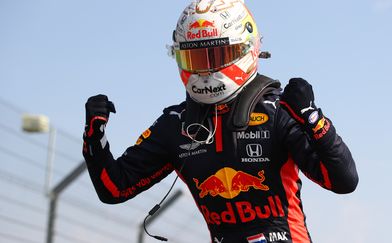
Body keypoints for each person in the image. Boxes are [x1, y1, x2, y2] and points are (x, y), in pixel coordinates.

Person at [82, 0, 359, 242]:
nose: (205, 70)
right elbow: (114, 188)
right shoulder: (175, 125)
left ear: (246, 49)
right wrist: (95, 138)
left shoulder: (280, 112)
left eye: (215, 55)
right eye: (195, 57)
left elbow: (344, 181)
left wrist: (314, 119)